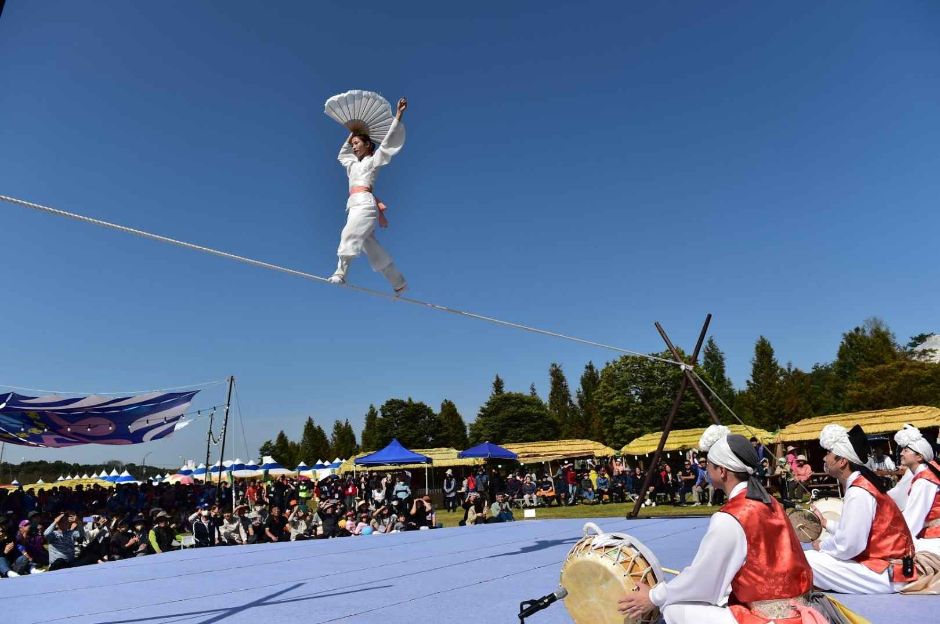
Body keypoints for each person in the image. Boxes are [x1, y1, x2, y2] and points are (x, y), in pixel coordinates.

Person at [618, 425, 823, 624]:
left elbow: (702, 582)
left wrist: (653, 596)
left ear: (722, 471)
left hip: (767, 618)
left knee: (673, 607)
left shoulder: (732, 516)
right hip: (800, 612)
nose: (706, 469)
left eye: (709, 464)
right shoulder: (771, 502)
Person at [804, 424, 917, 593]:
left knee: (808, 559)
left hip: (886, 572)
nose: (824, 458)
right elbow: (855, 533)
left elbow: (849, 546)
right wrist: (826, 523)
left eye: (828, 453)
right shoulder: (861, 485)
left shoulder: (858, 491)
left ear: (842, 461)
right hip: (887, 567)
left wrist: (823, 546)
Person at [328, 96, 409, 293]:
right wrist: (352, 134)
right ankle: (399, 283)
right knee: (372, 249)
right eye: (353, 143)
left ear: (368, 145)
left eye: (357, 143)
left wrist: (398, 116)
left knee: (349, 233)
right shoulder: (352, 165)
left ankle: (340, 272)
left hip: (365, 204)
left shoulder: (371, 162)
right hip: (354, 205)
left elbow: (388, 144)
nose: (354, 146)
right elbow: (342, 155)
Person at [890, 424, 940, 555]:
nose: (901, 453)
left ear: (919, 456)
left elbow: (911, 523)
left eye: (906, 450)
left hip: (934, 537)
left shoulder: (923, 481)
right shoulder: (928, 473)